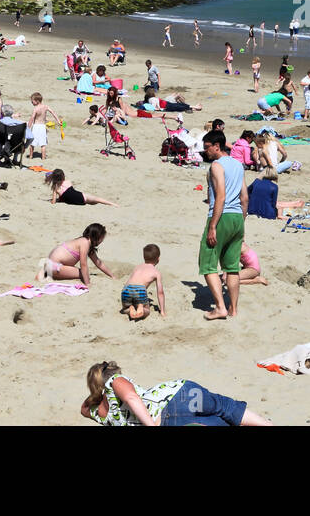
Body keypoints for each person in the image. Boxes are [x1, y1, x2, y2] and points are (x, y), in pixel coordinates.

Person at [81, 360, 270, 427]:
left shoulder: (102, 415)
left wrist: (95, 394)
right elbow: (131, 396)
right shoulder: (115, 381)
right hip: (180, 395)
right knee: (225, 408)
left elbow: (84, 409)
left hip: (171, 420)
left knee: (221, 419)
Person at [199, 130, 247, 320]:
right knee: (232, 267)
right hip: (237, 218)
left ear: (216, 146)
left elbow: (221, 196)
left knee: (208, 264)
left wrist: (212, 226)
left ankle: (220, 307)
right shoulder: (238, 165)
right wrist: (241, 222)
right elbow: (244, 197)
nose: (205, 152)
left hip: (222, 216)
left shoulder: (217, 166)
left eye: (207, 148)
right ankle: (233, 309)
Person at [39, 223, 114, 285]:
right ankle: (53, 275)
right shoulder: (85, 242)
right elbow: (83, 264)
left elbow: (98, 263)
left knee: (84, 272)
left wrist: (112, 276)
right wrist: (87, 283)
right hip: (54, 267)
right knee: (84, 274)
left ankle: (50, 274)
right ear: (98, 236)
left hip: (49, 265)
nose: (102, 241)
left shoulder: (85, 242)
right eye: (102, 238)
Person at [121, 244, 166, 321]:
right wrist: (162, 311)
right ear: (158, 259)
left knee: (124, 309)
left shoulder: (137, 267)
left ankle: (130, 308)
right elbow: (160, 292)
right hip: (140, 290)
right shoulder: (156, 272)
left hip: (126, 289)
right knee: (147, 311)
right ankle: (141, 307)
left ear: (144, 257)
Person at [45, 169, 117, 206]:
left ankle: (112, 204)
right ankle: (113, 204)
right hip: (81, 197)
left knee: (94, 202)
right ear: (63, 176)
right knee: (97, 199)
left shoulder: (56, 188)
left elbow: (53, 202)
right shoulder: (68, 182)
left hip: (76, 202)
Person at [27, 92, 62, 160]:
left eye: (32, 101)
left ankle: (31, 156)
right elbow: (53, 113)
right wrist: (58, 121)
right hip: (43, 127)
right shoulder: (45, 107)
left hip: (36, 127)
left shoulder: (36, 109)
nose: (31, 103)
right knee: (43, 144)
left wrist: (28, 127)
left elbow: (32, 118)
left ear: (37, 101)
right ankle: (43, 157)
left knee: (32, 143)